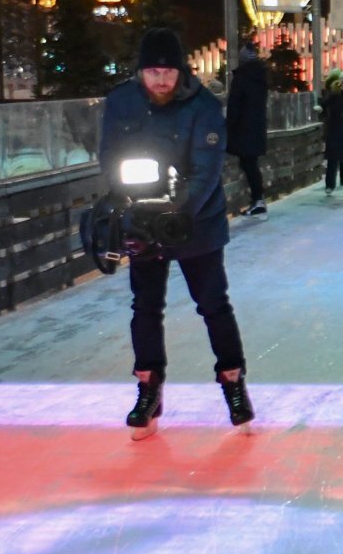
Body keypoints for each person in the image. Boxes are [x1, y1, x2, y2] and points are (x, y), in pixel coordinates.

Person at [99, 28, 252, 439]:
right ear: (141, 72)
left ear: (181, 70)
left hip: (196, 222)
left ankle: (233, 383)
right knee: (145, 307)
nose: (161, 80)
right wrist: (130, 209)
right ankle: (148, 390)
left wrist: (179, 213)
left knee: (213, 304)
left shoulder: (202, 106)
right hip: (142, 220)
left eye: (168, 71)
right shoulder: (121, 102)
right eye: (153, 71)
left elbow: (207, 168)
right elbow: (110, 156)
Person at [225, 40, 270, 216]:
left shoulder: (241, 79)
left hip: (243, 130)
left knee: (248, 165)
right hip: (256, 128)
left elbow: (234, 105)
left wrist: (228, 126)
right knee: (251, 165)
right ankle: (257, 199)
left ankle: (257, 200)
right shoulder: (260, 80)